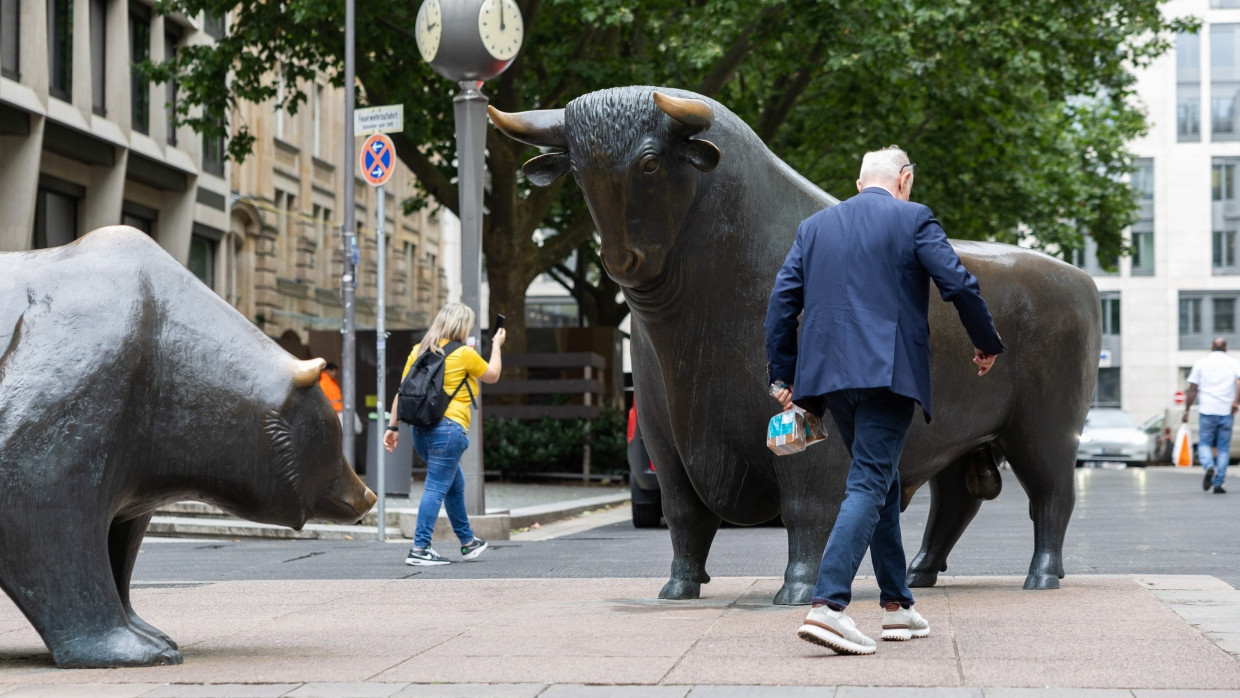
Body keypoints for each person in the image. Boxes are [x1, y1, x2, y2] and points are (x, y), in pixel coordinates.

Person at [764, 145, 1005, 656]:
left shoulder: (815, 228)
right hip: (888, 372)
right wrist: (984, 341)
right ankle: (828, 607)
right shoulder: (914, 218)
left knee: (884, 483)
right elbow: (957, 283)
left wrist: (782, 373)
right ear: (906, 179)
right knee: (870, 482)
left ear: (858, 184)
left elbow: (783, 300)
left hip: (828, 378)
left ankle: (897, 606)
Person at [383, 303, 506, 565]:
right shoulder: (463, 354)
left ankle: (468, 541)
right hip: (449, 431)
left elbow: (401, 392)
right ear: (461, 327)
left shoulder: (418, 351)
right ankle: (420, 548)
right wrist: (497, 345)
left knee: (454, 485)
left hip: (421, 431)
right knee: (436, 487)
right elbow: (493, 375)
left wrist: (393, 427)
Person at [1182, 337, 1240, 494]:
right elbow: (1239, 382)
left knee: (1204, 444)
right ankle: (1219, 483)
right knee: (1223, 449)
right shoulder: (1234, 363)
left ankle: (1209, 466)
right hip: (1226, 410)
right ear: (1226, 348)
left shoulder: (1201, 363)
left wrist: (1186, 411)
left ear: (1211, 347)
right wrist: (1236, 402)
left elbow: (1193, 388)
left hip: (1207, 410)